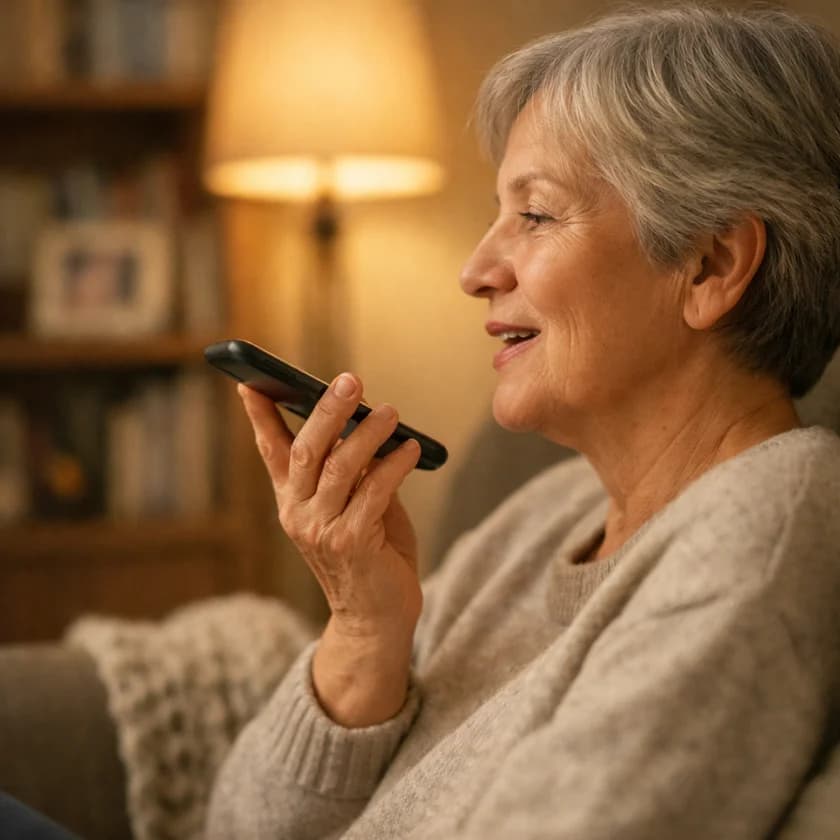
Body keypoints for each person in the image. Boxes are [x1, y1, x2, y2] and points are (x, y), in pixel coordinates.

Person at [206, 4, 840, 838]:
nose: (476, 271)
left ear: (710, 266)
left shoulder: (771, 525)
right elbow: (236, 830)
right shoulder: (538, 522)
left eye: (535, 215)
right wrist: (365, 632)